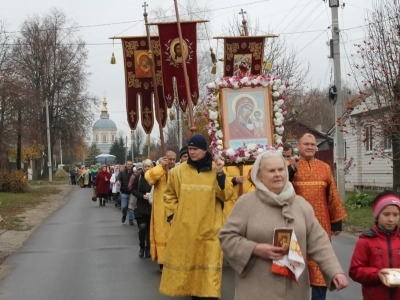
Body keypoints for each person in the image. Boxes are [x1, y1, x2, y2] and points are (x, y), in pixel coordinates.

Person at [219, 150, 348, 300]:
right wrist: (255, 249)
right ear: (259, 175)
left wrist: (335, 272)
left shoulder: (301, 205)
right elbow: (227, 237)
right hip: (256, 290)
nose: (277, 174)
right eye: (271, 171)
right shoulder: (246, 204)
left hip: (294, 292)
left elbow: (319, 242)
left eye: (281, 169)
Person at [159, 134, 234, 299]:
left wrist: (221, 175)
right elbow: (169, 195)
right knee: (192, 279)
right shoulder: (178, 171)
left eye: (195, 149)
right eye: (190, 149)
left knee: (208, 279)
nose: (192, 152)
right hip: (186, 230)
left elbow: (226, 194)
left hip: (210, 231)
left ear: (204, 150)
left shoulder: (217, 169)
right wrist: (174, 216)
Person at [289, 133, 348, 300]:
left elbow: (333, 195)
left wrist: (336, 221)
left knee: (319, 266)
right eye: (306, 144)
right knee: (294, 265)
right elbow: (281, 186)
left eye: (312, 144)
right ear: (298, 146)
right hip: (295, 223)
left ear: (316, 147)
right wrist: (290, 170)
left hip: (320, 223)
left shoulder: (324, 168)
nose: (309, 147)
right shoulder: (289, 166)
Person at [349, 190, 400, 300]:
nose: (391, 219)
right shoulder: (366, 241)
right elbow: (355, 271)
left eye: (395, 214)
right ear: (377, 215)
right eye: (386, 214)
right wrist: (377, 274)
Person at [145, 150, 176, 271]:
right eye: (169, 159)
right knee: (162, 234)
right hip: (161, 209)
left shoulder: (179, 170)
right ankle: (163, 262)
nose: (172, 162)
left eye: (174, 159)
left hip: (175, 208)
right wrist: (161, 166)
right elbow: (149, 177)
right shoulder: (159, 170)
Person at [132, 159, 153, 258]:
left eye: (149, 166)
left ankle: (148, 248)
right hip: (141, 205)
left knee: (150, 229)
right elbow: (133, 189)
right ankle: (141, 247)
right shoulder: (139, 177)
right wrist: (142, 196)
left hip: (152, 206)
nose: (147, 168)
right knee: (142, 226)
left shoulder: (155, 177)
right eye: (145, 166)